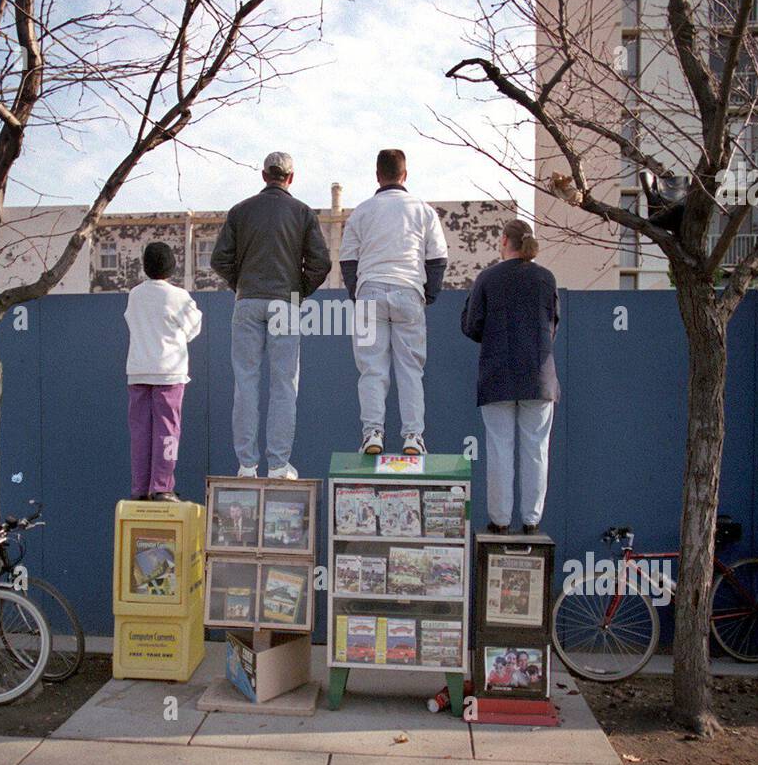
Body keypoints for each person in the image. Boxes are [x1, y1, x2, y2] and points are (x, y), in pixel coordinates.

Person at [211, 152, 331, 478]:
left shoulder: (239, 211)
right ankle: (278, 465)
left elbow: (219, 260)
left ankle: (246, 465)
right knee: (283, 386)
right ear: (291, 178)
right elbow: (321, 263)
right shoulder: (303, 213)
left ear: (264, 175)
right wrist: (298, 290)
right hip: (285, 303)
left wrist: (242, 285)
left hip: (247, 301)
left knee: (245, 384)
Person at [339, 149, 448, 455]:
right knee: (411, 370)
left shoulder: (362, 211)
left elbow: (348, 259)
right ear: (405, 174)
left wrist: (357, 294)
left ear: (378, 175)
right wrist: (428, 295)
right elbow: (437, 258)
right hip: (408, 291)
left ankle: (373, 433)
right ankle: (413, 437)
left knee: (372, 370)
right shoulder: (423, 211)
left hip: (370, 289)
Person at [461, 217, 560, 535]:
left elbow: (471, 325)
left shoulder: (488, 278)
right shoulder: (546, 278)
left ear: (504, 241)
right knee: (536, 449)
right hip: (538, 375)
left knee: (500, 449)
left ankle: (500, 521)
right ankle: (532, 521)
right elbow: (552, 324)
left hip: (498, 374)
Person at [124, 241, 202, 502]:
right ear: (172, 265)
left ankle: (139, 488)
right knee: (167, 431)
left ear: (144, 266)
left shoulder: (134, 294)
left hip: (138, 371)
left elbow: (130, 321)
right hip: (169, 372)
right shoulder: (179, 296)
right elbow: (194, 328)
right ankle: (162, 486)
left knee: (140, 432)